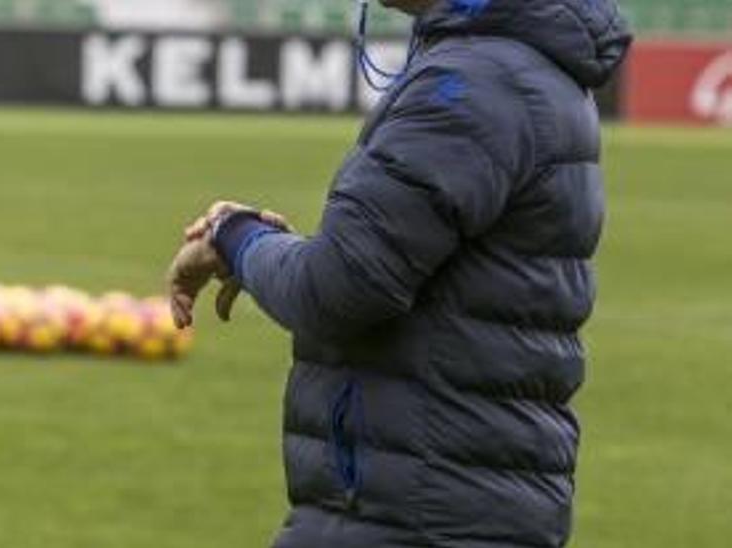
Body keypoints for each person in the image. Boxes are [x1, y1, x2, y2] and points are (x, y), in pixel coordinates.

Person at [165, 0, 632, 546]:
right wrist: (268, 247)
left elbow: (337, 288)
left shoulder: (471, 87)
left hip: (419, 507)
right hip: (444, 495)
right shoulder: (505, 72)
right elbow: (370, 264)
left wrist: (234, 236)